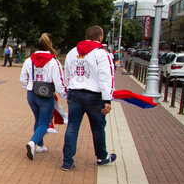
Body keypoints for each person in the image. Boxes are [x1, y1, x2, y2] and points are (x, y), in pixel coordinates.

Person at [61, 25, 116, 171]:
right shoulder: (101, 54)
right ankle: (101, 156)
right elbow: (107, 77)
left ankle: (67, 161)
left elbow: (67, 72)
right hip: (94, 96)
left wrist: (69, 89)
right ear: (100, 37)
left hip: (75, 93)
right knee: (98, 128)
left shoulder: (72, 52)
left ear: (86, 36)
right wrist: (107, 99)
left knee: (72, 126)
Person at [19, 33, 67, 160]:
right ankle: (33, 143)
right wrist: (65, 94)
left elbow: (23, 79)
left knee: (38, 119)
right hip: (46, 96)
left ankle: (40, 145)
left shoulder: (29, 60)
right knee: (45, 123)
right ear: (50, 45)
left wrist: (28, 87)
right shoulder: (53, 62)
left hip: (31, 94)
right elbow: (59, 82)